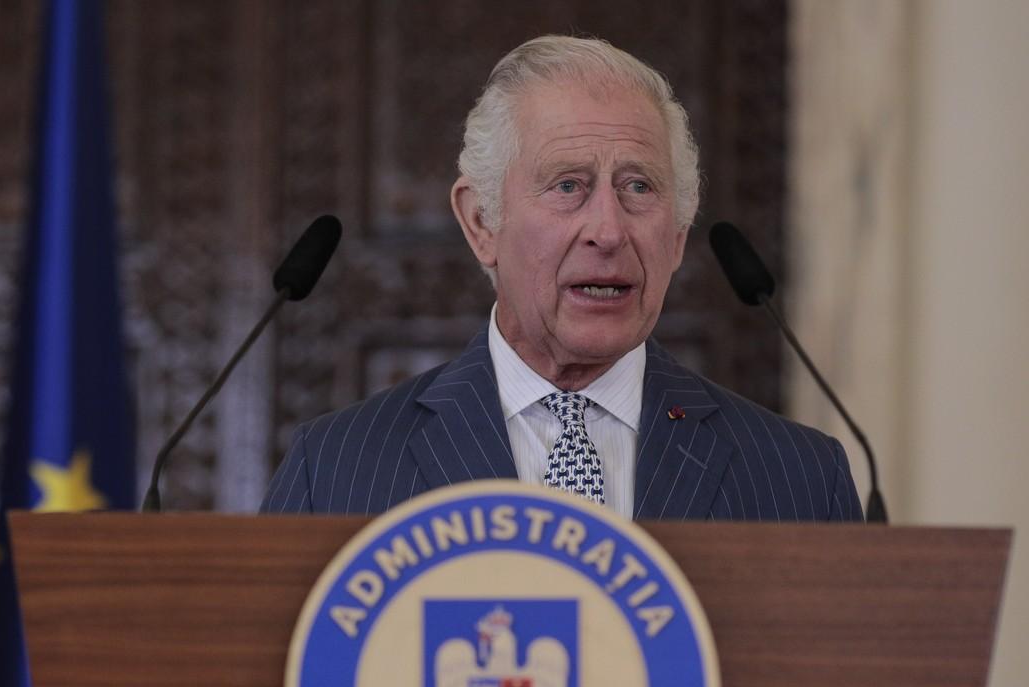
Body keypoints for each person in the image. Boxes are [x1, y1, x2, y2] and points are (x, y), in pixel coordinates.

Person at [262, 34, 862, 522]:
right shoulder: (334, 469)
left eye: (639, 187)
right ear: (481, 221)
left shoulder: (802, 479)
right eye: (568, 185)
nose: (609, 230)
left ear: (678, 234)